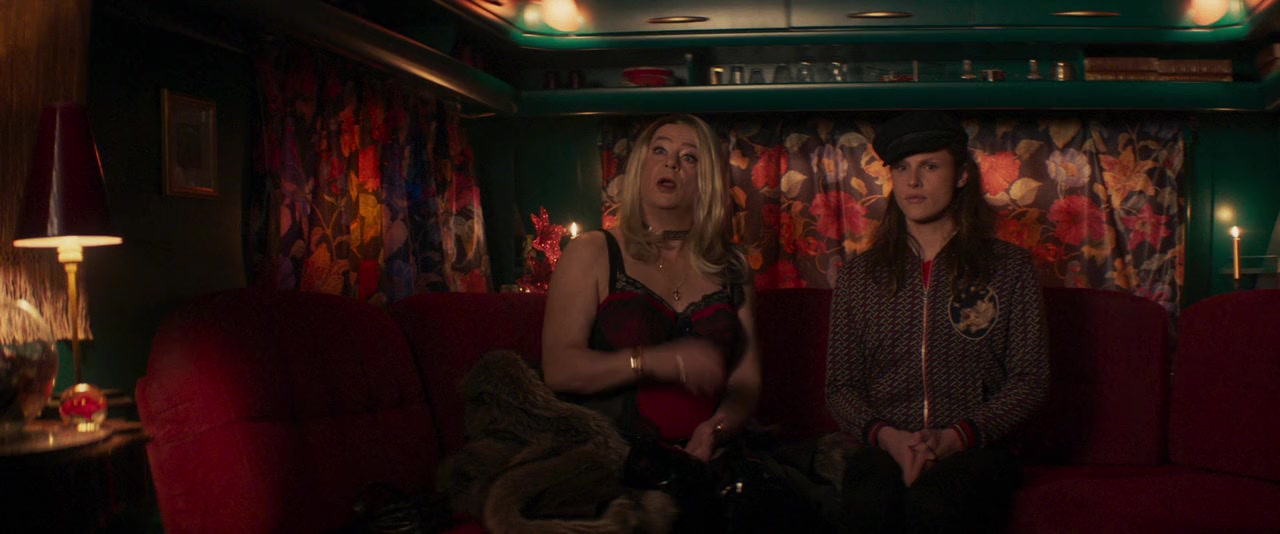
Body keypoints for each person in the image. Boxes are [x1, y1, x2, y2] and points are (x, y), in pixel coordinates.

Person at [826, 111, 1050, 533]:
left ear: (961, 175)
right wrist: (891, 439)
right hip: (886, 445)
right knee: (870, 501)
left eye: (929, 166)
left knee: (936, 506)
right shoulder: (859, 275)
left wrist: (955, 437)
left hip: (977, 447)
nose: (913, 181)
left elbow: (1030, 379)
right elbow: (841, 387)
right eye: (902, 168)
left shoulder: (1010, 268)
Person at [542, 113, 759, 463]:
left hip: (710, 456)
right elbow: (559, 369)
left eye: (689, 157)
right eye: (660, 150)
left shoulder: (733, 265)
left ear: (707, 180)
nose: (671, 162)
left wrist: (713, 432)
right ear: (641, 168)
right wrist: (658, 361)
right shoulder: (592, 251)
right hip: (607, 458)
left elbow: (745, 384)